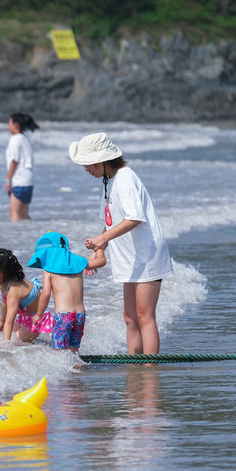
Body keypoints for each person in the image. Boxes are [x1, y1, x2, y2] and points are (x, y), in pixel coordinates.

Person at [69, 132, 173, 354]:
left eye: (88, 164)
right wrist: (99, 249)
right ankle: (134, 366)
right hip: (131, 256)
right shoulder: (110, 181)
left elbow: (135, 217)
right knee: (129, 317)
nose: (86, 169)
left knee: (145, 316)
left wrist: (103, 238)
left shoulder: (126, 179)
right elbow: (110, 220)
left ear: (103, 160)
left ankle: (149, 369)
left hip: (148, 254)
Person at [27, 231, 106, 352]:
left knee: (59, 353)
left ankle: (65, 371)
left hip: (63, 316)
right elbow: (101, 261)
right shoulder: (78, 262)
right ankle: (78, 368)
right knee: (74, 351)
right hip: (80, 315)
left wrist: (38, 315)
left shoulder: (49, 270)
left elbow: (46, 294)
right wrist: (98, 248)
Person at [0, 248, 51, 343]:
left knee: (17, 341)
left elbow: (10, 320)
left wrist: (4, 347)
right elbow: (4, 302)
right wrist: (2, 321)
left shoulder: (13, 291)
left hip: (38, 317)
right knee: (14, 335)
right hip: (26, 315)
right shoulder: (4, 285)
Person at [5, 113, 39, 222]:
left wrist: (8, 180)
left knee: (14, 214)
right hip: (29, 180)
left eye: (9, 123)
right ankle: (27, 236)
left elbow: (14, 161)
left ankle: (15, 238)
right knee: (24, 215)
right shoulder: (25, 139)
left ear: (15, 124)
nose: (8, 126)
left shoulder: (15, 139)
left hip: (19, 180)